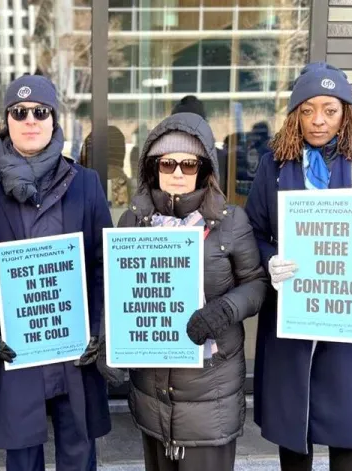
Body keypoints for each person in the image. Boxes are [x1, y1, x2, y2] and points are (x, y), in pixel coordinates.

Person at [245, 62, 352, 471]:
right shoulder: (275, 164)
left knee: (348, 440)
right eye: (306, 110)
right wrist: (269, 260)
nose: (317, 120)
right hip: (293, 318)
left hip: (350, 321)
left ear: (347, 111)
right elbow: (252, 230)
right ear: (294, 115)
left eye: (329, 109)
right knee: (294, 438)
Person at [0, 75, 113, 471]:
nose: (30, 120)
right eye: (20, 112)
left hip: (73, 348)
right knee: (22, 456)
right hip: (14, 347)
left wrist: (96, 325)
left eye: (40, 112)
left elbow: (101, 262)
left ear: (54, 119)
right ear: (7, 120)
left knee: (79, 452)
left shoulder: (86, 183)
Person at [114, 112, 267, 471]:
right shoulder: (133, 221)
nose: (178, 173)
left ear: (205, 167)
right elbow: (120, 292)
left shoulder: (232, 221)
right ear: (153, 168)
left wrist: (226, 309)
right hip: (152, 390)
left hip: (209, 390)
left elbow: (257, 284)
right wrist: (111, 342)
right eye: (168, 163)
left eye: (189, 163)